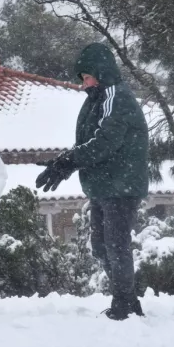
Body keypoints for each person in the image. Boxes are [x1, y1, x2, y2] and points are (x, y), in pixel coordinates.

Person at [36, 43, 149, 320]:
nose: (83, 85)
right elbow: (87, 143)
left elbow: (104, 142)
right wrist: (63, 166)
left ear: (101, 72)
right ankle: (128, 299)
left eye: (87, 78)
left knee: (116, 243)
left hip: (121, 186)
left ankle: (123, 303)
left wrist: (67, 161)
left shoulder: (115, 96)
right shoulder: (97, 99)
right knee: (101, 245)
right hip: (104, 186)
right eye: (82, 79)